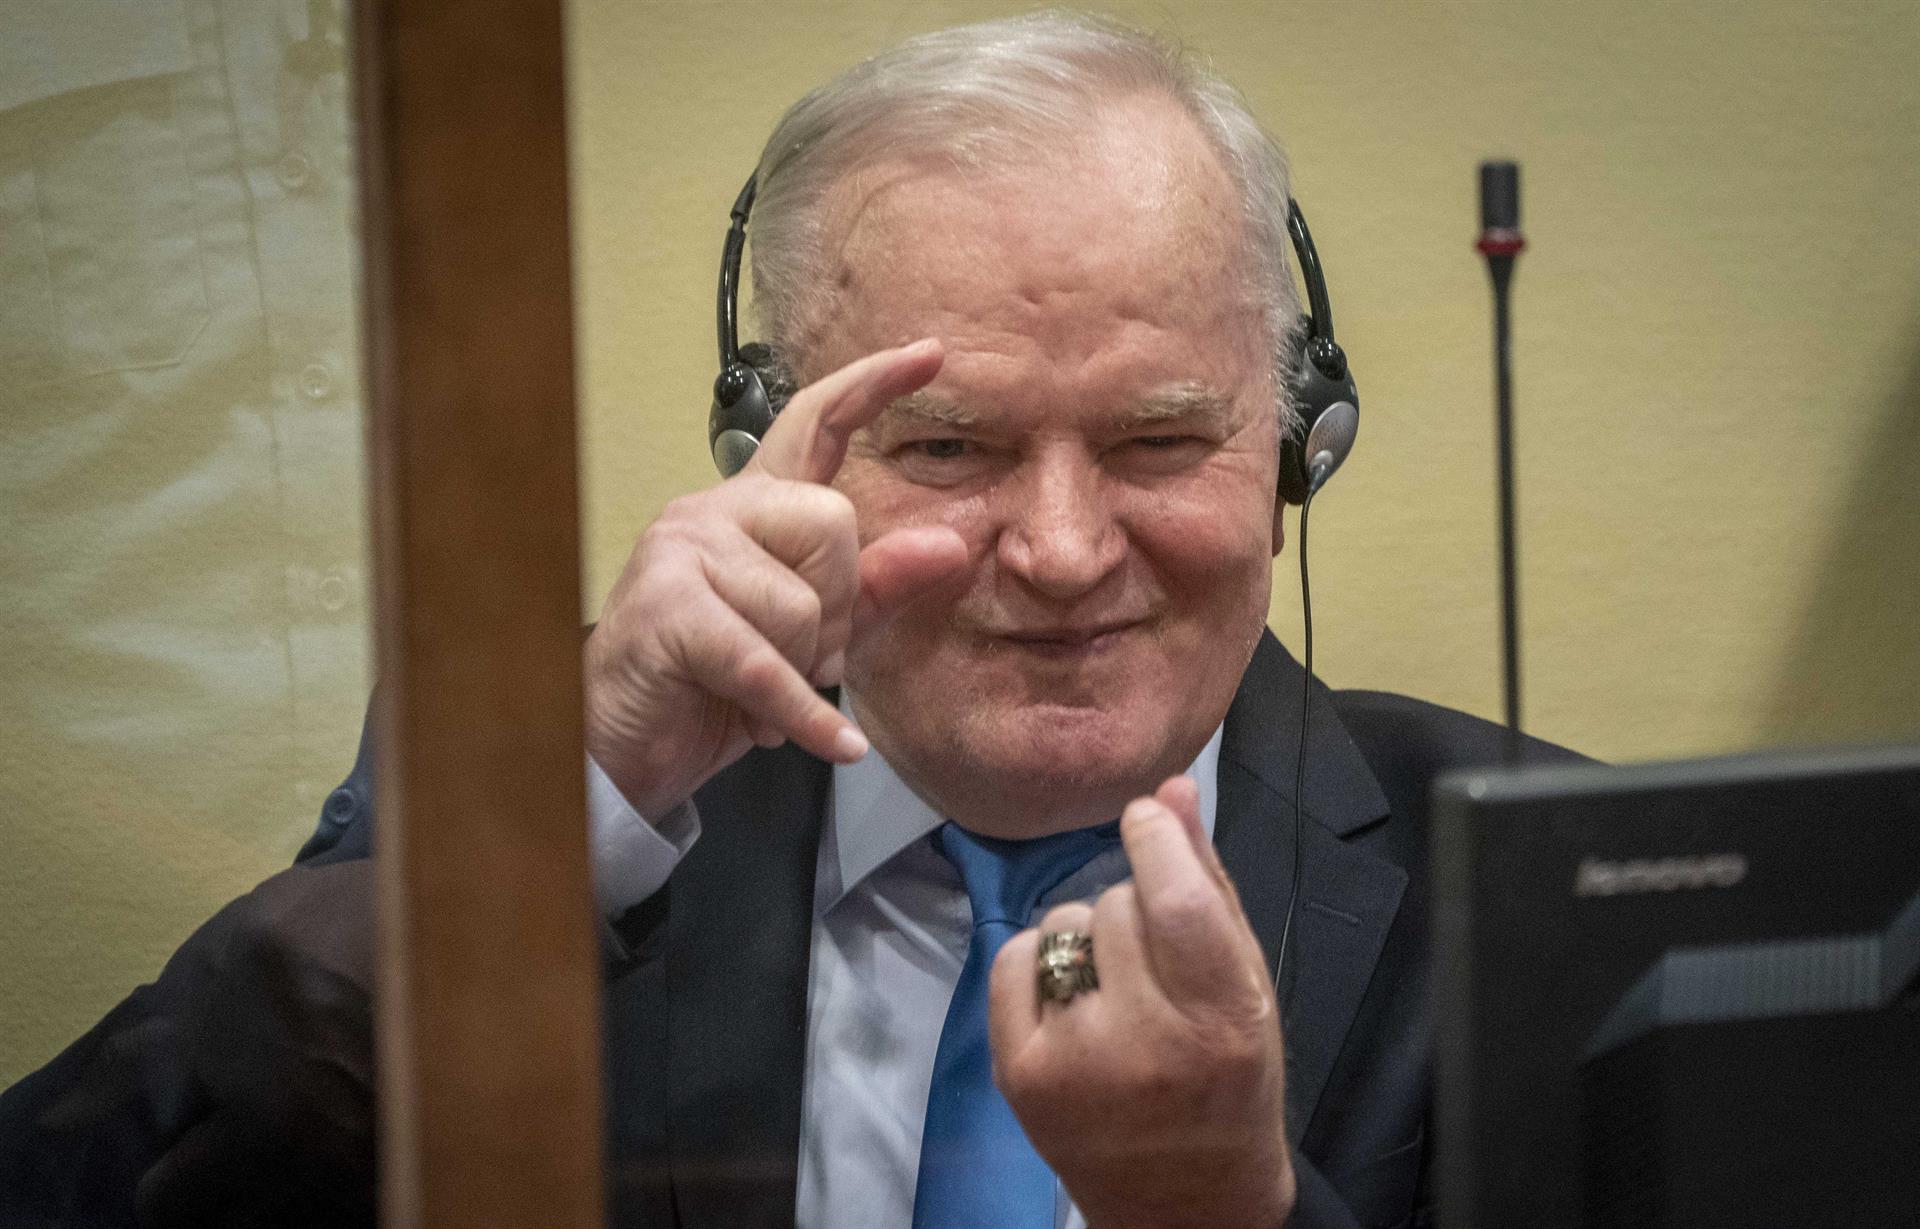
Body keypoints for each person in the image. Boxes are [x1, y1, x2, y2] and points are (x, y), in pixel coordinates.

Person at [1, 11, 1574, 1228]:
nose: (1061, 548)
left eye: (1160, 440)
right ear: (770, 453)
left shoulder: (1544, 876)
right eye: (947, 446)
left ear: (1297, 453)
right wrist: (574, 810)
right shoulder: (548, 791)